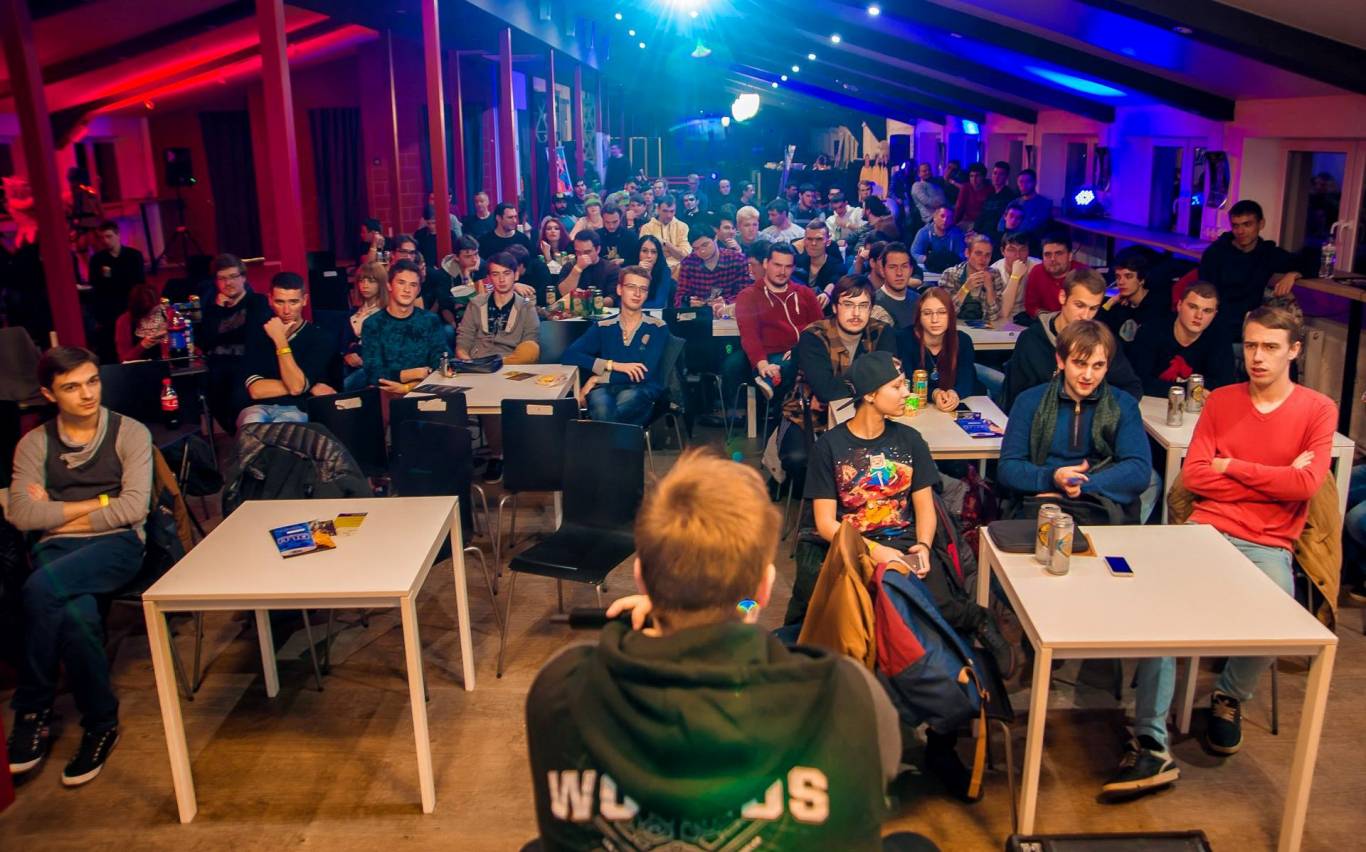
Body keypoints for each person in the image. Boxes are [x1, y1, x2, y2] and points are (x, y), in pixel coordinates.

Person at [527, 448, 918, 852]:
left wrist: (661, 624)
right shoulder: (848, 695)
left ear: (641, 576)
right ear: (764, 588)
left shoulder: (560, 688)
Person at [1113, 306, 1335, 796]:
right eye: (1251, 345)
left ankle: (1229, 695)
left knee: (1278, 617)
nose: (1258, 356)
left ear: (1294, 351)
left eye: (1271, 347)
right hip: (1206, 528)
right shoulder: (1222, 401)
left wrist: (1232, 466)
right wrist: (1274, 476)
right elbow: (1195, 476)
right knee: (1161, 617)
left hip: (1268, 542)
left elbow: (1304, 486)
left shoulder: (1317, 409)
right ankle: (1151, 742)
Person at [804, 349, 1015, 677]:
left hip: (905, 540)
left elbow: (925, 505)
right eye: (897, 386)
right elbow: (824, 523)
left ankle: (978, 620)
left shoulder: (910, 440)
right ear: (870, 395)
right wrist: (874, 551)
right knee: (869, 615)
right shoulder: (829, 446)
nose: (907, 393)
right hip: (854, 545)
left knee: (936, 605)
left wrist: (924, 546)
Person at [7, 346, 152, 787]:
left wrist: (56, 510)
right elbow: (23, 515)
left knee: (38, 589)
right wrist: (101, 501)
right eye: (71, 387)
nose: (87, 394)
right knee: (77, 615)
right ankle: (101, 723)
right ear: (49, 394)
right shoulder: (35, 443)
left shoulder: (129, 432)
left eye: (93, 381)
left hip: (118, 545)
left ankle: (32, 708)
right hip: (57, 548)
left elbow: (133, 509)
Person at [998, 318, 1151, 517]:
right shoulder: (1029, 401)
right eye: (1080, 363)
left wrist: (1080, 485)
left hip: (1101, 504)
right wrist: (1053, 478)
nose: (1088, 375)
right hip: (1039, 502)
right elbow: (1009, 468)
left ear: (1107, 366)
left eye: (1098, 366)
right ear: (1061, 361)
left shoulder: (1123, 405)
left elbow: (1139, 470)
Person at [780, 275, 899, 472]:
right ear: (835, 307)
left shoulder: (882, 332)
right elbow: (826, 390)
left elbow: (888, 381)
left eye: (863, 306)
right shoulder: (814, 335)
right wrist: (870, 382)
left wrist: (838, 387)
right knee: (799, 459)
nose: (856, 313)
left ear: (871, 309)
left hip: (870, 416)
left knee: (894, 458)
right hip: (808, 416)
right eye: (848, 305)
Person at [1001, 268, 1144, 411]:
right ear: (1063, 297)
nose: (1086, 316)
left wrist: (1096, 414)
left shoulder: (1103, 341)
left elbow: (1131, 388)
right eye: (1079, 305)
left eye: (1093, 308)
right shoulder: (1031, 340)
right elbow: (1016, 400)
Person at [457, 252, 541, 482]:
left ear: (516, 275)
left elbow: (531, 343)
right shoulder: (476, 304)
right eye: (496, 274)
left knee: (508, 388)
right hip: (478, 366)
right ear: (489, 278)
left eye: (506, 274)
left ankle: (511, 453)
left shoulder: (526, 307)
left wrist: (507, 364)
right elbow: (463, 340)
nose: (501, 279)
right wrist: (467, 361)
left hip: (513, 366)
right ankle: (495, 455)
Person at [563, 266, 669, 426]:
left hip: (641, 388)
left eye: (643, 289)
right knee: (602, 404)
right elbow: (570, 355)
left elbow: (643, 374)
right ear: (619, 289)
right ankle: (622, 442)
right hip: (606, 388)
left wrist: (597, 378)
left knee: (613, 406)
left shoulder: (657, 327)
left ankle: (600, 440)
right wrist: (612, 365)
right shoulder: (604, 326)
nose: (637, 293)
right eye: (631, 287)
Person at [730, 243, 823, 415]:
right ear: (766, 263)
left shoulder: (805, 293)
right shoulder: (748, 296)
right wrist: (762, 363)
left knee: (796, 362)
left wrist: (799, 348)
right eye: (777, 265)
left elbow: (819, 328)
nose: (782, 272)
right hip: (769, 354)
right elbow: (749, 335)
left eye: (788, 266)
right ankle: (771, 388)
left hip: (802, 352)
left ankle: (776, 400)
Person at [237, 272, 338, 426]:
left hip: (297, 409)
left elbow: (296, 387)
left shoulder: (320, 338)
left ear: (304, 300)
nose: (286, 310)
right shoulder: (257, 335)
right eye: (279, 302)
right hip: (257, 407)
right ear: (270, 300)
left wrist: (280, 340)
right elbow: (256, 390)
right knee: (250, 423)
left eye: (293, 302)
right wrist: (307, 386)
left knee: (286, 428)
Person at [1197, 199, 1299, 340]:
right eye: (1235, 226)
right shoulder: (1216, 253)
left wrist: (1293, 274)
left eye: (1247, 224)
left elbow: (1310, 261)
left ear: (1261, 224)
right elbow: (1204, 294)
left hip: (1249, 328)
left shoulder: (1267, 253)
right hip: (1216, 326)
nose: (1240, 231)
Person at [199, 253, 272, 432]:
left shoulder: (257, 302)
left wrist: (219, 337)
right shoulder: (212, 308)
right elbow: (204, 341)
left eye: (233, 276)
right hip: (216, 372)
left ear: (243, 278)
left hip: (246, 369)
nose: (228, 283)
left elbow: (251, 336)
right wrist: (219, 309)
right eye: (222, 278)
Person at [1128, 282, 1233, 397]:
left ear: (1215, 314)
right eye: (1193, 307)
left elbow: (1224, 385)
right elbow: (1138, 381)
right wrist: (1191, 391)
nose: (1199, 316)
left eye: (1207, 311)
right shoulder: (1151, 331)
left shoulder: (1220, 338)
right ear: (1179, 305)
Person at [360, 260, 445, 394]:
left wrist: (407, 387)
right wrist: (413, 374)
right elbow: (373, 372)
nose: (407, 290)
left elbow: (441, 364)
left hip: (426, 393)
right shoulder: (373, 324)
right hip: (387, 395)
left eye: (413, 285)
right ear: (389, 285)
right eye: (401, 283)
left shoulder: (430, 320)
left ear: (418, 290)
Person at [898, 287, 976, 409]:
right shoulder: (904, 338)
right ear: (919, 316)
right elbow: (905, 382)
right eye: (927, 313)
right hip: (916, 407)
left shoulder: (963, 340)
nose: (935, 320)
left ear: (950, 315)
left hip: (954, 406)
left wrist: (954, 394)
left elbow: (967, 380)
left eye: (942, 312)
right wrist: (934, 394)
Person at [88, 221, 146, 362]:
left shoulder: (133, 256)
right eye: (102, 237)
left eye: (109, 236)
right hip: (108, 308)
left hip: (130, 305)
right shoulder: (97, 259)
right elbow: (96, 285)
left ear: (118, 235)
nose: (105, 241)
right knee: (110, 345)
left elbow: (139, 282)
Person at [674, 223, 750, 311]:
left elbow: (746, 295)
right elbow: (679, 298)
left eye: (705, 245)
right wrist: (688, 302)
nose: (702, 251)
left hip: (730, 312)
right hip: (699, 313)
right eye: (696, 248)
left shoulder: (737, 259)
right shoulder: (688, 263)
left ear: (715, 238)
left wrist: (726, 303)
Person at [1099, 247, 1167, 344]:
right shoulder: (1119, 304)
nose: (1121, 282)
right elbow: (1099, 328)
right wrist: (1110, 302)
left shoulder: (1156, 306)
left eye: (1128, 276)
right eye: (1118, 277)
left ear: (1141, 280)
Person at [939, 234, 1006, 325]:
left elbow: (993, 316)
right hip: (954, 327)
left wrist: (989, 289)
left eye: (987, 255)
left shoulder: (994, 275)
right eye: (978, 253)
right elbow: (945, 313)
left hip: (982, 328)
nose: (983, 259)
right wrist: (965, 288)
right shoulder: (950, 274)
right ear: (967, 253)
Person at [341, 262, 386, 391]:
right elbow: (343, 344)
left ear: (380, 284)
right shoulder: (352, 313)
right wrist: (346, 356)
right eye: (361, 281)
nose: (365, 285)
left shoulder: (386, 312)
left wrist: (364, 361)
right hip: (348, 364)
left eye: (371, 281)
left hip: (372, 366)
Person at [1022, 233, 1088, 319]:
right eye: (1047, 254)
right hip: (1046, 321)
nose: (1052, 259)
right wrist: (1050, 319)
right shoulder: (1037, 271)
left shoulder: (1084, 273)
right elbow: (1031, 306)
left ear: (1070, 256)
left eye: (1058, 253)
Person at [869, 241, 921, 330]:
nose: (899, 273)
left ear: (911, 270)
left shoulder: (919, 300)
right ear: (883, 271)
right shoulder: (874, 304)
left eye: (904, 266)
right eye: (892, 267)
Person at [793, 219, 844, 304]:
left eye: (819, 239)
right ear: (804, 241)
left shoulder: (837, 265)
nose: (813, 243)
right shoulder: (796, 262)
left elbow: (835, 280)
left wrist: (827, 293)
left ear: (828, 242)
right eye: (809, 239)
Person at [990, 232, 1039, 321]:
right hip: (1004, 317)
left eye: (1023, 250)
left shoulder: (1037, 267)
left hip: (1029, 317)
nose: (1018, 255)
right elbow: (1003, 312)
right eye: (1011, 250)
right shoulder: (994, 271)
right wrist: (1015, 276)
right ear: (1002, 251)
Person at [113, 284, 167, 363]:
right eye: (148, 311)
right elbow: (124, 359)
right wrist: (142, 345)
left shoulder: (165, 314)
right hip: (138, 368)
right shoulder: (124, 321)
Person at [557, 230, 620, 297]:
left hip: (600, 303)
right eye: (578, 252)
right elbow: (563, 293)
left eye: (587, 252)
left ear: (598, 249)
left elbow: (612, 298)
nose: (582, 256)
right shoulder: (570, 266)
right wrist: (577, 269)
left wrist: (587, 299)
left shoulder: (611, 268)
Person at [639, 195, 691, 274]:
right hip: (654, 268)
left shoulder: (683, 227)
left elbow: (685, 256)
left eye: (672, 211)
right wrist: (674, 251)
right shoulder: (647, 227)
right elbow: (645, 255)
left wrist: (666, 244)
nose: (669, 215)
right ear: (658, 209)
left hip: (679, 269)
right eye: (665, 211)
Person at [910, 206, 966, 272]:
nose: (945, 220)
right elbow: (914, 253)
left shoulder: (957, 234)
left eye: (949, 217)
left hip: (950, 269)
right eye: (942, 216)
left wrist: (946, 262)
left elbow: (961, 255)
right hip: (928, 269)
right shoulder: (924, 232)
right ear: (934, 217)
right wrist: (928, 260)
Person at [973, 161, 1018, 238]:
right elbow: (982, 215)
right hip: (982, 232)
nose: (997, 177)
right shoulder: (990, 195)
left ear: (1006, 177)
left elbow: (999, 220)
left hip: (995, 235)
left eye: (1001, 174)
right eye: (995, 173)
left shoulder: (1009, 196)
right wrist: (975, 231)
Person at [635, 234, 675, 310]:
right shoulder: (629, 270)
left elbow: (659, 304)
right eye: (644, 251)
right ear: (638, 252)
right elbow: (622, 301)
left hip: (654, 313)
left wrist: (648, 275)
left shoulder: (664, 271)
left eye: (653, 252)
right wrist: (639, 273)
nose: (649, 256)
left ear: (658, 255)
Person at [1013, 169, 1052, 239]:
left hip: (1032, 240)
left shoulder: (1044, 203)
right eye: (1021, 182)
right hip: (1012, 239)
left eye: (1027, 182)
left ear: (1035, 182)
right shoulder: (1014, 203)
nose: (1023, 185)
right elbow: (1001, 224)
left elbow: (1034, 226)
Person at [953, 163, 991, 230]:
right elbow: (959, 207)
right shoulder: (966, 187)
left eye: (977, 176)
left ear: (983, 177)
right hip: (967, 221)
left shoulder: (989, 189)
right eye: (971, 176)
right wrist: (953, 223)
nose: (974, 179)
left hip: (983, 224)